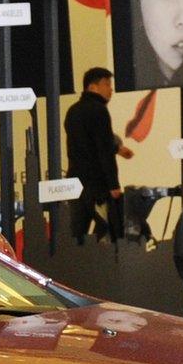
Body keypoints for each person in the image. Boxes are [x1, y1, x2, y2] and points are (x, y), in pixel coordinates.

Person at [64, 67, 134, 244]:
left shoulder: (73, 111)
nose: (111, 89)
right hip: (96, 185)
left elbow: (86, 143)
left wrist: (116, 148)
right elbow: (102, 149)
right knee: (108, 232)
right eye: (107, 84)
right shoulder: (99, 110)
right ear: (92, 87)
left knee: (76, 234)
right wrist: (113, 184)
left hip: (75, 181)